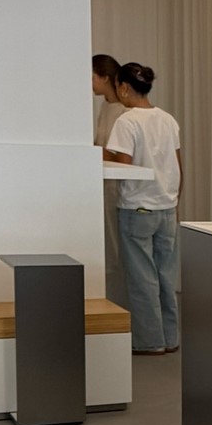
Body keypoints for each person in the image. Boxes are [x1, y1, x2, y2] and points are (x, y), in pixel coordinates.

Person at [104, 63, 182, 356]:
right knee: (165, 277)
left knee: (142, 279)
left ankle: (149, 341)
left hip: (136, 207)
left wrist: (101, 154)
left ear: (124, 87)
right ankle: (170, 338)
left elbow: (124, 167)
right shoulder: (168, 119)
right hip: (166, 206)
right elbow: (178, 165)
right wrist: (174, 199)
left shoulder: (127, 121)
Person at [92, 54, 127, 308]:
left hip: (119, 187)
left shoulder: (125, 111)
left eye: (92, 77)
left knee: (117, 244)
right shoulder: (105, 107)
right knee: (108, 242)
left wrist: (96, 151)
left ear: (105, 78)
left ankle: (119, 300)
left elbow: (119, 153)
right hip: (104, 184)